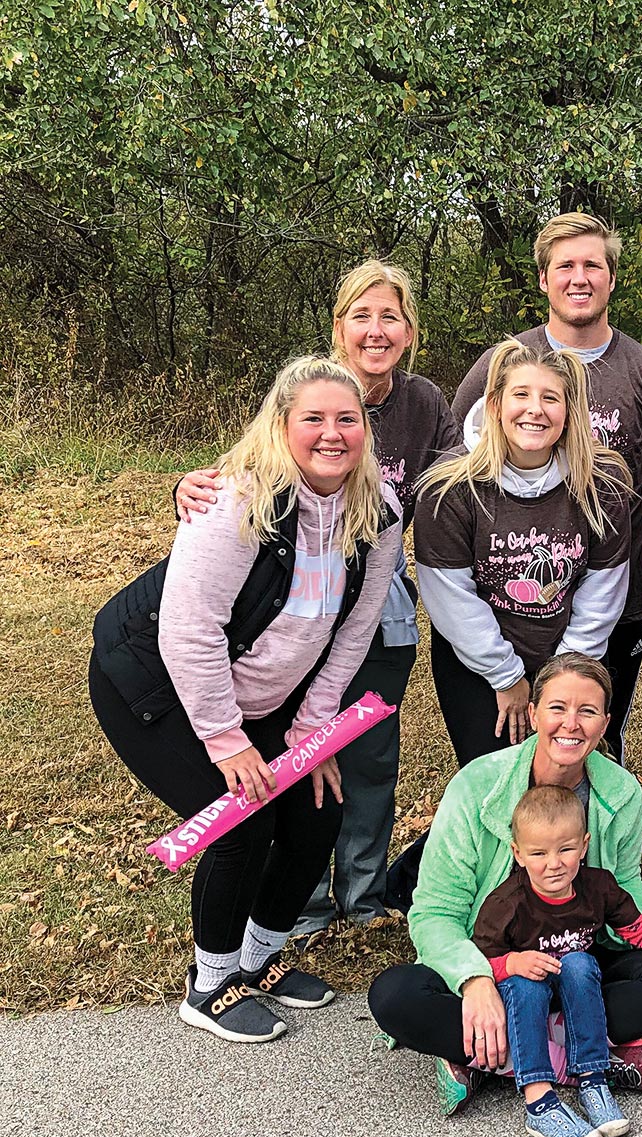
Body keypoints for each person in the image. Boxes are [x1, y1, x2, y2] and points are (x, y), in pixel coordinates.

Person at [89, 356, 404, 1042]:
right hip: (157, 683)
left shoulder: (377, 513)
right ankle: (210, 984)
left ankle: (259, 961)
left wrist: (312, 730)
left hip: (265, 696)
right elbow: (189, 629)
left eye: (346, 419)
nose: (331, 433)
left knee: (321, 809)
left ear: (364, 431)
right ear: (281, 426)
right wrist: (226, 740)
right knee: (242, 819)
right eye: (312, 419)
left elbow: (354, 630)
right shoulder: (239, 500)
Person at [174, 260, 459, 937]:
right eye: (361, 315)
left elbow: (464, 479)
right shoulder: (304, 390)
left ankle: (361, 895)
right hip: (292, 611)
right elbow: (238, 477)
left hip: (375, 603)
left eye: (390, 315)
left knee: (367, 755)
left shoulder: (426, 405)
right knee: (294, 752)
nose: (376, 329)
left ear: (410, 329)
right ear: (339, 327)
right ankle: (298, 901)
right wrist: (185, 489)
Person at [368, 654, 642, 1115]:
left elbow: (626, 897)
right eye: (557, 708)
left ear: (605, 722)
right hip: (495, 961)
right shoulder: (476, 785)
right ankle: (588, 1058)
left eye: (587, 711)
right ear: (533, 714)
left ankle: (490, 1057)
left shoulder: (622, 792)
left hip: (578, 961)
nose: (572, 724)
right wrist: (476, 981)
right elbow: (434, 911)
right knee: (394, 996)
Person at [452, 212, 642, 765]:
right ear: (544, 279)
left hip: (608, 607)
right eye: (564, 265)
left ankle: (587, 850)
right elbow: (450, 464)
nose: (580, 277)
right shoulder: (503, 366)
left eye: (592, 265)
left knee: (589, 751)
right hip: (505, 607)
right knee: (499, 757)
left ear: (612, 278)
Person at [473, 784, 642, 1137]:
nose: (553, 863)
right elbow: (477, 962)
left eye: (565, 849)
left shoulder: (597, 887)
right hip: (524, 993)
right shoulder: (506, 904)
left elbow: (641, 929)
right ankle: (539, 1101)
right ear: (518, 853)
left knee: (579, 961)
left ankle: (591, 1077)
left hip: (576, 986)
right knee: (527, 986)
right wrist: (512, 962)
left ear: (584, 844)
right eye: (538, 853)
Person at [416, 340, 632, 765]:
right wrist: (506, 676)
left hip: (570, 651)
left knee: (562, 781)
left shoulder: (602, 485)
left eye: (550, 398)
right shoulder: (449, 489)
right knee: (493, 777)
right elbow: (451, 598)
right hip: (479, 662)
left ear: (569, 412)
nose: (535, 409)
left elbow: (603, 589)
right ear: (495, 405)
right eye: (521, 395)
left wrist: (563, 677)